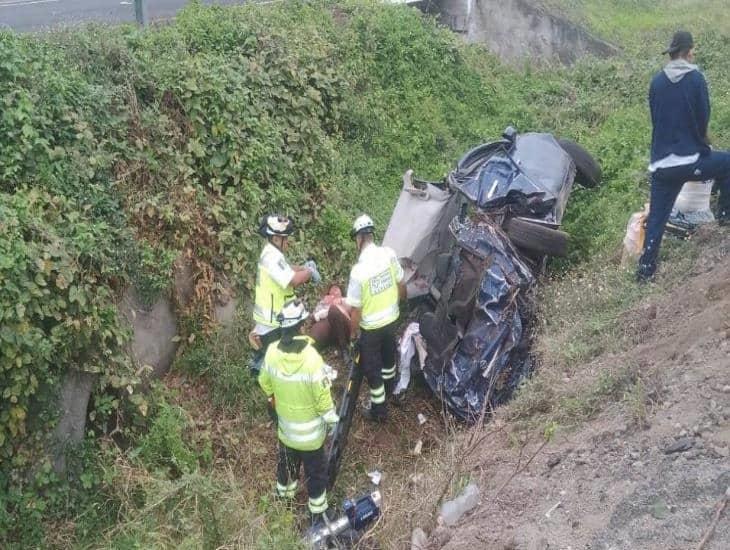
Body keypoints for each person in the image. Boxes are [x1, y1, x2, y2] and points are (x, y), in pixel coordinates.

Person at [637, 31, 730, 282]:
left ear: (671, 53)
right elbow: (703, 118)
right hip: (690, 161)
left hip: (661, 165)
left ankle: (645, 271)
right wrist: (701, 142)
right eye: (693, 50)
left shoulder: (656, 82)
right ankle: (725, 218)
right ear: (689, 52)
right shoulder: (696, 79)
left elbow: (656, 119)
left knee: (656, 219)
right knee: (727, 163)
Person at [257, 299, 339, 527]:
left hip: (286, 433)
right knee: (316, 475)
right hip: (311, 439)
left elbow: (264, 383)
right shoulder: (312, 359)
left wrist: (277, 398)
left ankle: (283, 506)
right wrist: (332, 419)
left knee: (286, 470)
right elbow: (323, 399)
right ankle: (317, 513)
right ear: (302, 325)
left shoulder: (272, 353)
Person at [345, 214, 406, 422]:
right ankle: (389, 390)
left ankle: (379, 411)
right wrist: (401, 304)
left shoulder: (358, 271)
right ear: (371, 235)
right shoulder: (388, 254)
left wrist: (353, 334)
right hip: (391, 320)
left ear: (359, 239)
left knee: (372, 370)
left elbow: (356, 311)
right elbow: (401, 284)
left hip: (371, 328)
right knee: (389, 360)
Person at [252, 214, 321, 357]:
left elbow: (287, 269)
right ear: (276, 238)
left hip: (273, 321)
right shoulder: (272, 257)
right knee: (281, 364)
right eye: (286, 238)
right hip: (272, 324)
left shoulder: (271, 253)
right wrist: (309, 271)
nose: (287, 242)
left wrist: (302, 268)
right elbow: (294, 280)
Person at [309, 284, 352, 351]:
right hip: (328, 330)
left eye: (336, 289)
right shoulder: (323, 303)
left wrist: (340, 302)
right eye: (332, 289)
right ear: (329, 293)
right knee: (314, 337)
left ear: (341, 291)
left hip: (343, 328)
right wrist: (320, 314)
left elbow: (354, 308)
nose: (335, 291)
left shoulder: (346, 300)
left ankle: (344, 348)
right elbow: (313, 317)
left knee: (333, 310)